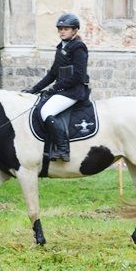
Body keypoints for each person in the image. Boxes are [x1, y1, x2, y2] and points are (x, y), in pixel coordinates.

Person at [23, 13, 91, 162]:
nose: (62, 31)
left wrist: (55, 88)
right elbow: (53, 73)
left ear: (74, 30)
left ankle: (63, 149)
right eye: (60, 28)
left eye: (66, 28)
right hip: (63, 91)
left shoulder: (79, 48)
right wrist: (33, 89)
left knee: (46, 111)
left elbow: (79, 75)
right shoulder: (61, 47)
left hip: (74, 92)